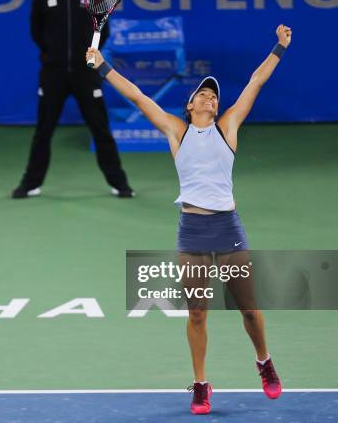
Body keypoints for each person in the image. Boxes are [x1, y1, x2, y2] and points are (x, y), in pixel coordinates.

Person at [87, 24, 292, 414]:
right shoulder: (176, 131)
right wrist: (102, 66)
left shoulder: (228, 127)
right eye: (204, 94)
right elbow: (137, 96)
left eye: (215, 95)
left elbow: (255, 81)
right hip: (193, 231)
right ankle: (200, 385)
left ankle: (264, 361)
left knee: (248, 308)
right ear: (191, 105)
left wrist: (279, 48)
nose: (212, 98)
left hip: (227, 228)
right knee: (197, 312)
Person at [12, 0, 134, 199]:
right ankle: (31, 183)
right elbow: (36, 30)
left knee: (101, 130)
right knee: (43, 132)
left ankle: (120, 184)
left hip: (86, 73)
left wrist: (87, 55)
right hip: (53, 73)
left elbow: (102, 31)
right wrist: (53, 54)